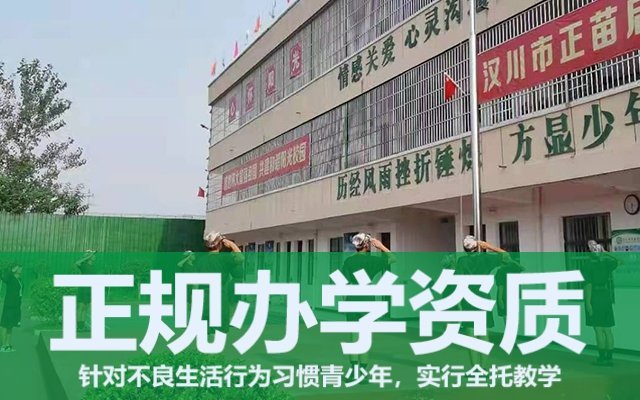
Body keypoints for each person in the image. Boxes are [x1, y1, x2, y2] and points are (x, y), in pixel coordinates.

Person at [340, 233, 395, 382]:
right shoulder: (373, 261)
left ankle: (353, 371)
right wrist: (380, 246)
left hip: (352, 298)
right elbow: (393, 258)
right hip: (368, 299)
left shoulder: (349, 261)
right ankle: (363, 372)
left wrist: (344, 298)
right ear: (367, 245)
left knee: (353, 336)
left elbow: (343, 282)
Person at [456, 235, 511, 368]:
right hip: (483, 298)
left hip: (468, 298)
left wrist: (458, 304)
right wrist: (488, 246)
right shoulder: (486, 259)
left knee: (471, 335)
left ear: (465, 248)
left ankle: (475, 368)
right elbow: (506, 256)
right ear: (477, 246)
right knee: (484, 334)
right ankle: (484, 367)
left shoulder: (462, 261)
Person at [195, 231, 244, 337]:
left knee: (204, 333)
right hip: (219, 298)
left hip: (203, 299)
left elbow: (195, 283)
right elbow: (240, 258)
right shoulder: (224, 258)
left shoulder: (200, 260)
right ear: (220, 244)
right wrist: (231, 244)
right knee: (219, 334)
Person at [583, 240, 620, 367]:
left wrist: (588, 303)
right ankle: (609, 358)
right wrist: (606, 253)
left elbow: (588, 285)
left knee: (598, 329)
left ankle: (602, 358)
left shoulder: (588, 265)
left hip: (595, 297)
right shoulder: (606, 263)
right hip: (605, 296)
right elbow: (620, 260)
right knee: (607, 329)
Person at [0, 265, 23, 352]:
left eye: (21, 267)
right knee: (5, 325)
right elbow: (4, 278)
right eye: (19, 267)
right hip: (9, 305)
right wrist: (11, 270)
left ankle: (8, 345)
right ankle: (3, 346)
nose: (21, 269)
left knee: (11, 325)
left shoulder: (20, 280)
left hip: (16, 306)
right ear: (15, 269)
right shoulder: (10, 278)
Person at [75, 250, 96, 331]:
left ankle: (82, 326)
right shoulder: (83, 265)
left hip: (89, 289)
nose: (94, 256)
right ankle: (78, 327)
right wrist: (88, 256)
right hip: (83, 289)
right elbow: (77, 263)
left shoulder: (92, 267)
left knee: (85, 308)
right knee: (81, 307)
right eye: (93, 255)